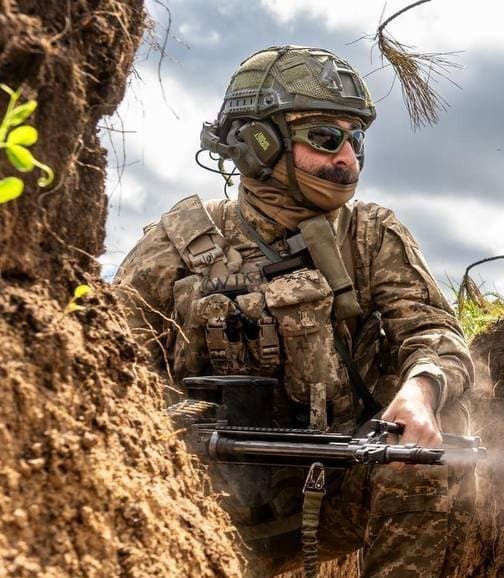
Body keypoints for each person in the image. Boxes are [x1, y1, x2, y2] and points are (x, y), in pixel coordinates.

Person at [113, 45, 475, 577]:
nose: (348, 159)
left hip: (335, 491)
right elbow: (105, 365)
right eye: (326, 138)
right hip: (193, 507)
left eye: (356, 140)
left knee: (432, 449)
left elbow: (433, 330)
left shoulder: (370, 235)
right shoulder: (176, 245)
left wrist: (420, 389)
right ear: (260, 144)